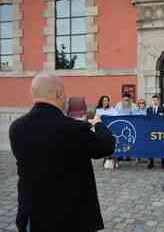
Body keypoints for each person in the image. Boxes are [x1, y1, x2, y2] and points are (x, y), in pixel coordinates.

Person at [9, 74, 115, 232]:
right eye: (64, 93)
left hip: (32, 216)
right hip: (70, 218)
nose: (65, 97)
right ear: (58, 93)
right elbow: (106, 146)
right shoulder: (73, 128)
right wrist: (99, 124)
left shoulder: (16, 127)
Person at [146, 95, 164, 169]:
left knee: (161, 146)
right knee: (150, 146)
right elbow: (147, 120)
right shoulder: (149, 109)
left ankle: (163, 162)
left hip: (160, 131)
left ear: (159, 101)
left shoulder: (163, 109)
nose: (155, 101)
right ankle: (151, 162)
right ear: (152, 101)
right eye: (153, 100)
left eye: (156, 100)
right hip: (151, 130)